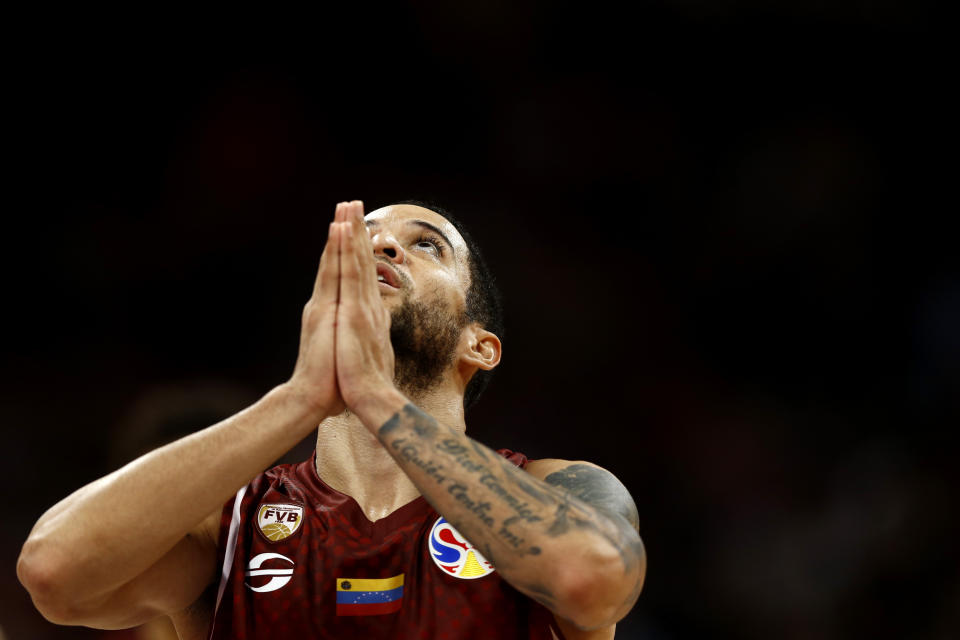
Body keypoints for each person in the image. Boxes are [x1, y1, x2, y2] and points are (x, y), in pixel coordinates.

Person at [17, 201, 646, 639]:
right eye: (360, 241)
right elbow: (54, 574)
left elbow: (593, 578)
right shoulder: (233, 527)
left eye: (426, 244)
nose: (384, 245)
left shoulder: (551, 487)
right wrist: (300, 397)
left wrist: (377, 397)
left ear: (477, 347)